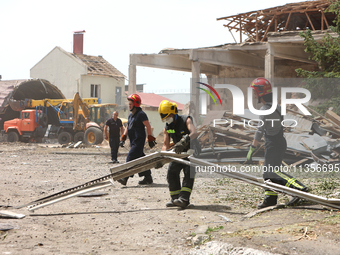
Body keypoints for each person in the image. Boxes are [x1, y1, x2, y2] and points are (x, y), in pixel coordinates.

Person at [247, 77, 308, 209]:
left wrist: (252, 148)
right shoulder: (277, 106)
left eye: (254, 92)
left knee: (273, 172)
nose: (253, 95)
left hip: (273, 143)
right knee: (268, 173)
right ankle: (270, 199)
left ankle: (299, 188)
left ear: (260, 93)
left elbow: (259, 131)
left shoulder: (264, 110)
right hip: (279, 141)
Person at [158, 100, 198, 208]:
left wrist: (184, 140)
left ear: (173, 113)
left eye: (167, 117)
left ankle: (184, 199)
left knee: (188, 172)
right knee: (172, 172)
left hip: (192, 152)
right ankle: (175, 199)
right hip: (179, 153)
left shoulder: (186, 120)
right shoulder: (168, 127)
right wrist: (161, 158)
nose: (167, 120)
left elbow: (194, 133)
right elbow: (166, 144)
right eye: (164, 118)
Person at [118, 94, 156, 185]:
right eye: (129, 104)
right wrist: (123, 137)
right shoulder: (131, 116)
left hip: (139, 141)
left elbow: (148, 125)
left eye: (131, 104)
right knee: (141, 159)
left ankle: (125, 178)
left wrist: (150, 138)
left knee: (130, 157)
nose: (129, 105)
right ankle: (148, 177)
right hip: (133, 141)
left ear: (136, 104)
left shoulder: (141, 114)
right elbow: (127, 126)